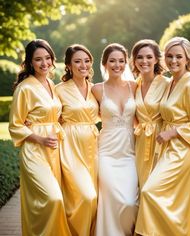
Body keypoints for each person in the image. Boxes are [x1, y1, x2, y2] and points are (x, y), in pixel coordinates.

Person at [135, 37, 190, 236]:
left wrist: (173, 132)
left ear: (187, 59)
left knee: (151, 192)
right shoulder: (171, 83)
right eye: (169, 56)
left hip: (183, 149)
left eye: (178, 56)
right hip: (167, 147)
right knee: (173, 200)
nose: (173, 60)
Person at [8, 39, 71, 236]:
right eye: (38, 59)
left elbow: (55, 114)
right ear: (30, 62)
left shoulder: (51, 84)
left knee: (49, 202)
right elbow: (15, 124)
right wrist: (39, 137)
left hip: (54, 150)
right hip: (34, 151)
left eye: (47, 58)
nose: (44, 63)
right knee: (53, 199)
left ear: (53, 60)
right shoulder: (25, 88)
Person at [92, 43, 139, 236]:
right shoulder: (96, 89)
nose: (117, 64)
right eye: (112, 60)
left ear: (126, 63)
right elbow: (78, 110)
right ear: (104, 64)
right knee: (110, 198)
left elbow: (147, 111)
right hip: (106, 152)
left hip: (129, 152)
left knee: (129, 202)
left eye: (121, 61)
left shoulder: (134, 86)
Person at [55, 44, 99, 236]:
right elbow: (50, 117)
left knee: (94, 198)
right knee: (84, 196)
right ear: (68, 65)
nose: (83, 65)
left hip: (94, 147)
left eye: (87, 61)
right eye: (77, 61)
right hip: (70, 147)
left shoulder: (95, 89)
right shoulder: (59, 90)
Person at [130, 39, 169, 188]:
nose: (144, 61)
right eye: (139, 57)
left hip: (161, 140)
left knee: (155, 187)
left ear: (157, 59)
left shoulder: (167, 84)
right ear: (134, 60)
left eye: (149, 57)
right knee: (141, 184)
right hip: (140, 141)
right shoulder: (135, 85)